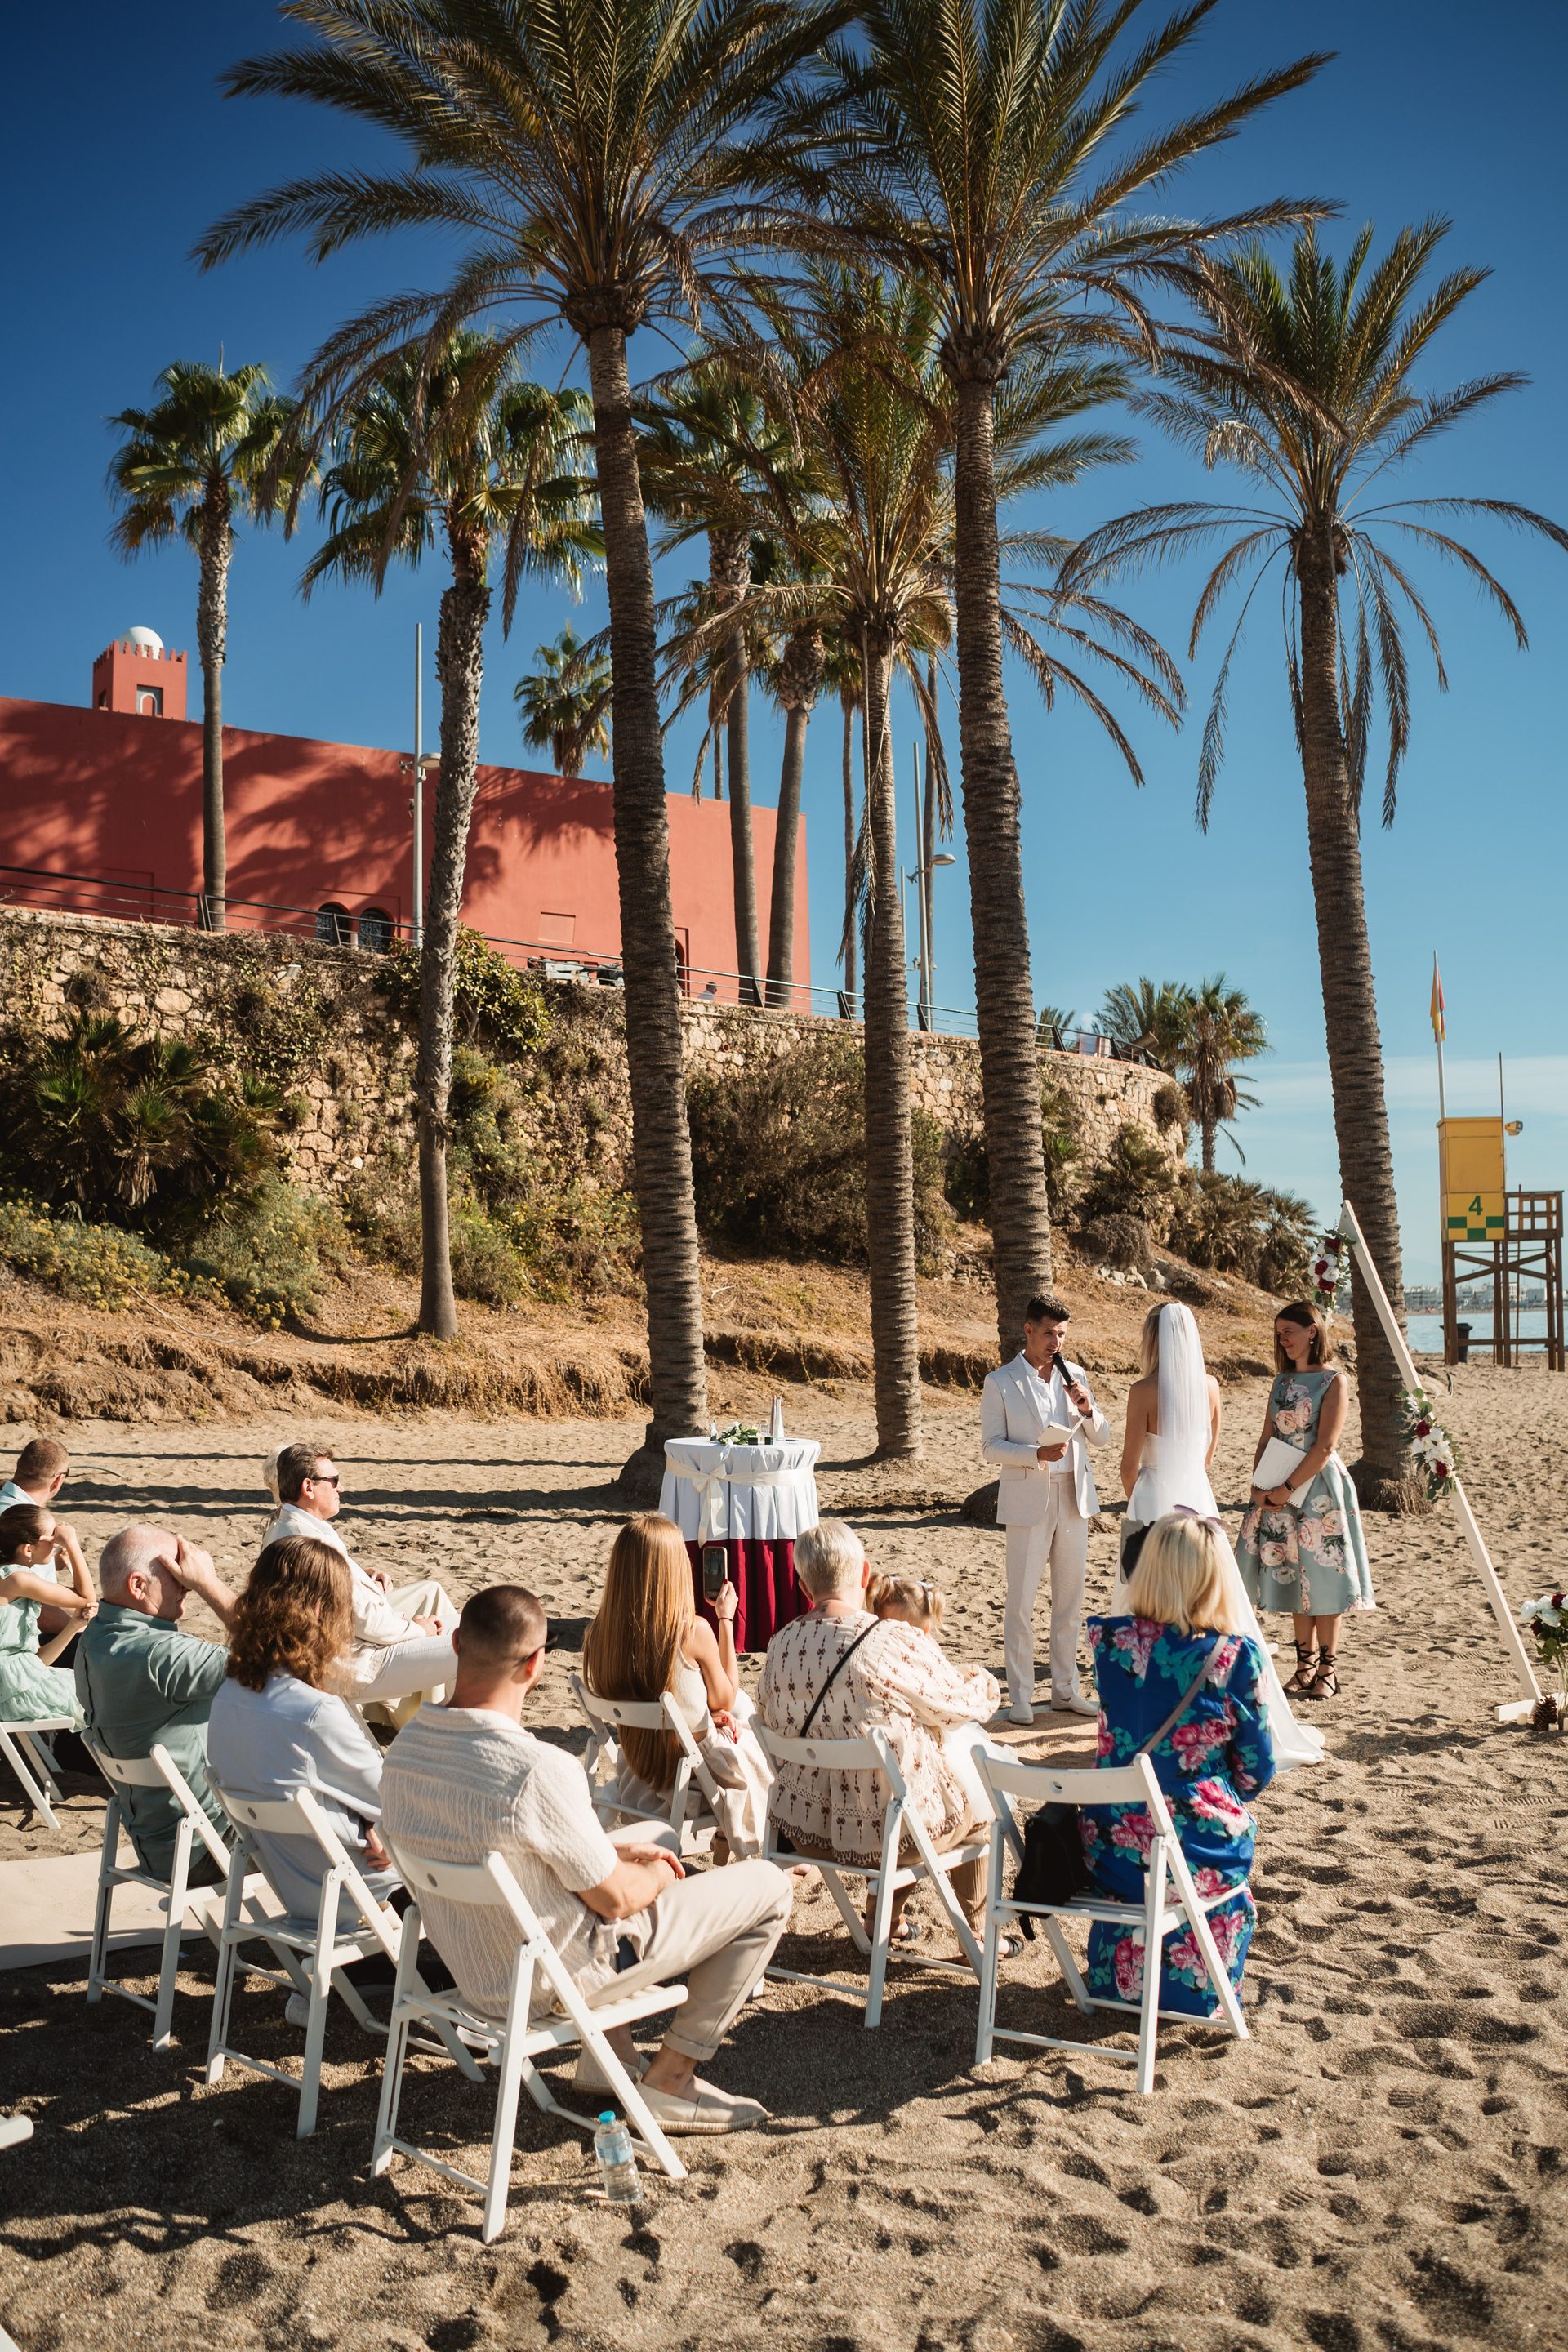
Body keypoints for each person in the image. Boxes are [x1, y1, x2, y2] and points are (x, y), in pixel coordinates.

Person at [381, 1585, 792, 2136]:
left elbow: (497, 1844)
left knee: (657, 1834)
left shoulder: (406, 1750)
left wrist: (626, 1851)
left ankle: (610, 2061)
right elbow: (616, 1898)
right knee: (768, 1885)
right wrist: (653, 1875)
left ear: (456, 1643)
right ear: (535, 1665)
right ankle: (672, 2078)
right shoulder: (537, 1769)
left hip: (476, 1965)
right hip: (561, 1976)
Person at [759, 1519, 1000, 1951]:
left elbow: (770, 1721)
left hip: (806, 1831)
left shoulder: (780, 1647)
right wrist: (980, 1678)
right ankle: (977, 1937)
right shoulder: (891, 1641)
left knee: (902, 1783)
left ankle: (886, 1921)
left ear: (801, 1583)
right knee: (982, 1798)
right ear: (864, 1573)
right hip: (889, 1835)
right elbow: (962, 1706)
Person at [1082, 1512, 1276, 2020]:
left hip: (1108, 1845)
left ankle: (1118, 1986)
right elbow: (1257, 1768)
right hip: (1190, 1849)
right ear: (1214, 1576)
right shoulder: (1234, 1656)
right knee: (1220, 1841)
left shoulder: (1108, 1643)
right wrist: (1215, 1790)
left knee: (1152, 1849)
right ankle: (1193, 1993)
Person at [1117, 1301, 1321, 1770]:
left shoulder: (1143, 1390)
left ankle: (1148, 1705)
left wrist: (1140, 1498)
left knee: (1145, 1599)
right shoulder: (1210, 1387)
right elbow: (1208, 1455)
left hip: (1153, 1497)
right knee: (1207, 1599)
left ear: (1152, 1339)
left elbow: (1130, 1464)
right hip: (1197, 1496)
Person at [207, 1536, 401, 1936]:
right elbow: (395, 1802)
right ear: (317, 1611)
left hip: (297, 1887)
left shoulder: (228, 1696)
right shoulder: (314, 1711)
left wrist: (367, 1821)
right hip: (357, 1887)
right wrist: (377, 1825)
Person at [582, 1513, 773, 1859]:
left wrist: (693, 1719)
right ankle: (742, 1836)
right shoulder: (692, 1631)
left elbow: (645, 1692)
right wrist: (726, 1620)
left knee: (730, 1709)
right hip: (685, 1769)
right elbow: (726, 1695)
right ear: (674, 1571)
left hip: (640, 1763)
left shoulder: (599, 1636)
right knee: (739, 1707)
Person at [74, 1525, 238, 1883]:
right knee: (354, 1822)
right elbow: (281, 1658)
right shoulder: (162, 1655)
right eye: (178, 1575)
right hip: (209, 1848)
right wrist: (209, 1583)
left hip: (158, 1845)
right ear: (138, 1585)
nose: (186, 1586)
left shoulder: (95, 1640)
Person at [980, 1294, 1111, 1723]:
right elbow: (991, 1446)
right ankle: (1019, 1695)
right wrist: (1036, 1453)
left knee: (1069, 1601)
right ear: (1029, 1330)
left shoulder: (1075, 1376)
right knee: (1020, 1602)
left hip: (1074, 1498)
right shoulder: (1000, 1381)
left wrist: (1087, 1409)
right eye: (1049, 1332)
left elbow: (1103, 1437)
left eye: (1062, 1334)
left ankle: (1065, 1690)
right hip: (1027, 1498)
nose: (1056, 1341)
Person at [1236, 1301, 1374, 1702]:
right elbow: (1267, 1436)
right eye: (1278, 1332)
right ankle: (1303, 1667)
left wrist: (1287, 1487)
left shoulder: (1334, 1382)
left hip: (1317, 1491)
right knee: (1295, 1573)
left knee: (1323, 1576)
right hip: (1277, 1484)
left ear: (1312, 1331)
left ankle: (1329, 1671)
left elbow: (1326, 1446)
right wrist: (1259, 1485)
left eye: (1288, 1331)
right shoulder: (1280, 1382)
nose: (1282, 1339)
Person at [263, 1442, 458, 1717]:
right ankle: (444, 1731)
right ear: (308, 1487)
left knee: (460, 1624)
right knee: (472, 1644)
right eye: (334, 1481)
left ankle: (425, 1719)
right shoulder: (309, 1540)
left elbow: (336, 1589)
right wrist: (416, 1629)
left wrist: (362, 1577)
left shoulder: (290, 1524)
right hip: (352, 1663)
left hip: (343, 1650)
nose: (340, 1488)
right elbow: (367, 1621)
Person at [865, 1572, 1016, 1833]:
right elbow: (953, 1704)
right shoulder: (923, 1651)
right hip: (917, 1760)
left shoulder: (872, 1652)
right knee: (977, 1796)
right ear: (926, 1629)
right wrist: (982, 1681)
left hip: (874, 1772)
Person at [0, 1503, 96, 1729]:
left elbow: (36, 1662)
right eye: (53, 1538)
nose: (56, 1543)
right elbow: (87, 1597)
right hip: (11, 1690)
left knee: (98, 1692)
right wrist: (72, 1544)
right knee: (103, 1698)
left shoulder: (11, 1578)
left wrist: (73, 1626)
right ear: (28, 1549)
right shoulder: (18, 1580)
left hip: (13, 1684)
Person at [1, 1437, 93, 1647]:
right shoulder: (24, 1520)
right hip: (21, 1643)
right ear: (58, 1481)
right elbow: (44, 1614)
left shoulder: (8, 1505)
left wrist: (54, 1564)